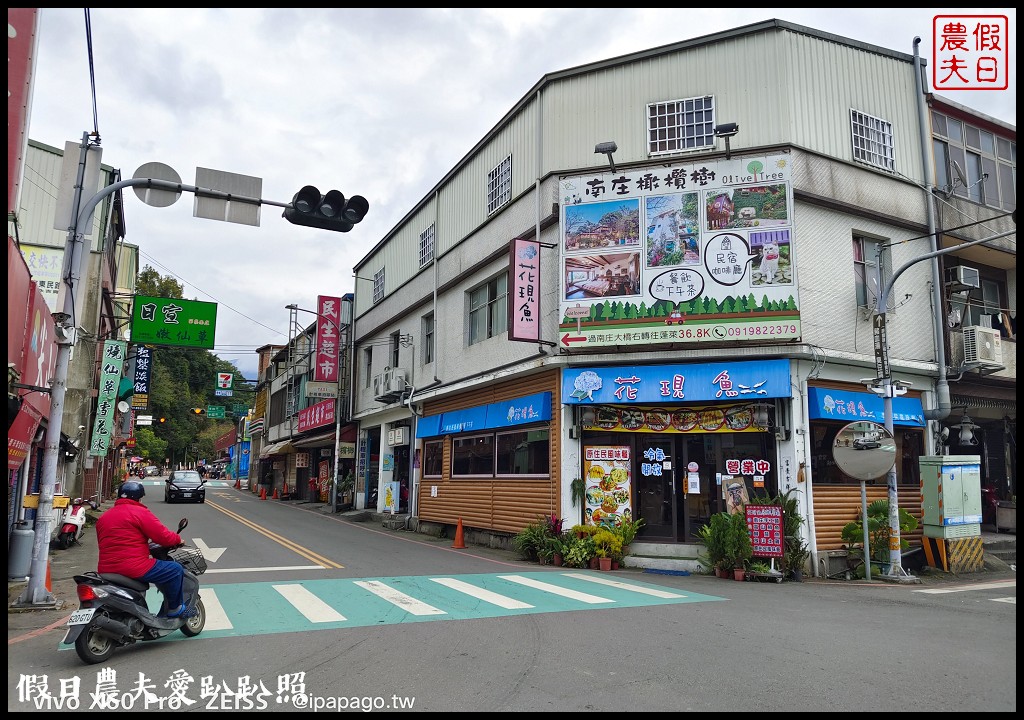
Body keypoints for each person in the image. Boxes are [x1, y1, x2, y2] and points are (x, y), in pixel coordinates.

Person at [95, 480, 191, 618]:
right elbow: (162, 536)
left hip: (106, 568)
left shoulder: (104, 517)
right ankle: (174, 609)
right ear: (139, 498)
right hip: (134, 566)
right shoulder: (139, 512)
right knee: (175, 570)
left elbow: (103, 542)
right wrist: (178, 539)